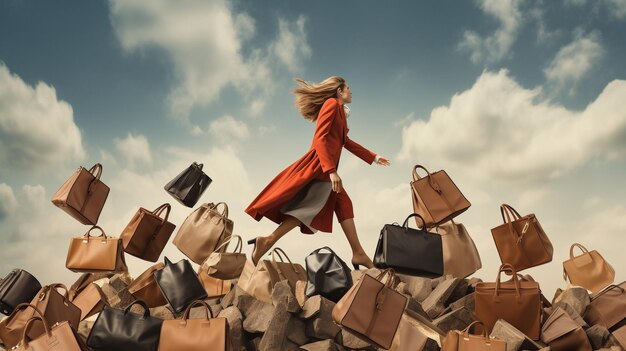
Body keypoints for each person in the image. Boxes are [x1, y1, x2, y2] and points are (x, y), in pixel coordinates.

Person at [244, 76, 390, 269]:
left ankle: (358, 253)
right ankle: (269, 240)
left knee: (342, 204)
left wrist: (373, 156)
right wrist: (331, 171)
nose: (351, 91)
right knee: (306, 210)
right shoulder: (331, 104)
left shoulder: (339, 111)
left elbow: (345, 142)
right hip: (321, 167)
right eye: (348, 88)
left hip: (325, 168)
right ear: (339, 91)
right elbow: (320, 139)